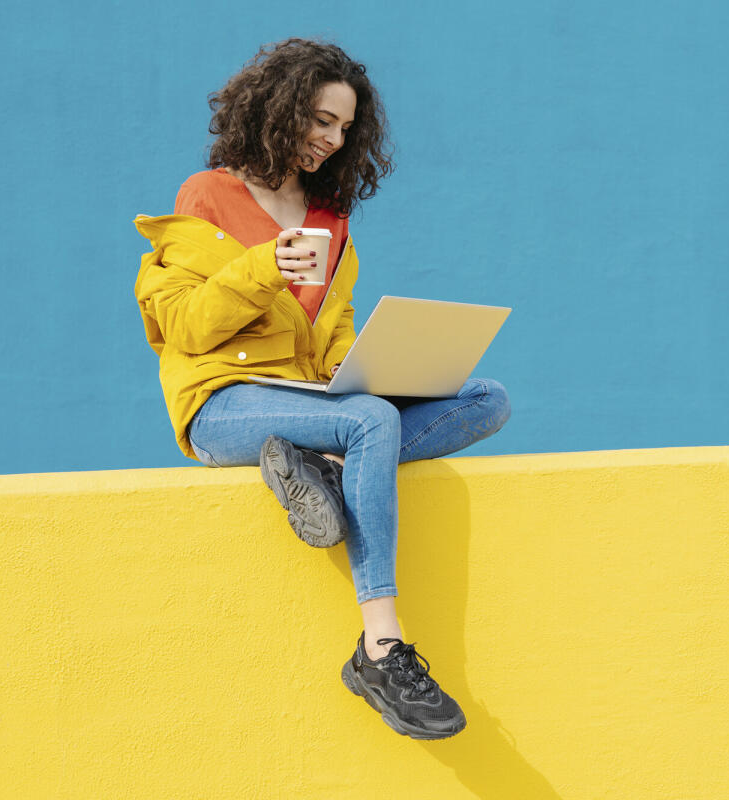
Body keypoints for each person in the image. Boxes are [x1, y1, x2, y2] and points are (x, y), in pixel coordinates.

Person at [133, 38, 510, 740]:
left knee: (486, 396)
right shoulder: (209, 194)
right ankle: (381, 647)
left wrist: (358, 367)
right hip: (224, 401)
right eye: (319, 119)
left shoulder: (329, 216)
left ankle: (328, 470)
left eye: (343, 127)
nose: (331, 139)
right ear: (278, 108)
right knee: (369, 421)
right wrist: (263, 266)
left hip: (311, 399)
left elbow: (330, 330)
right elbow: (183, 327)